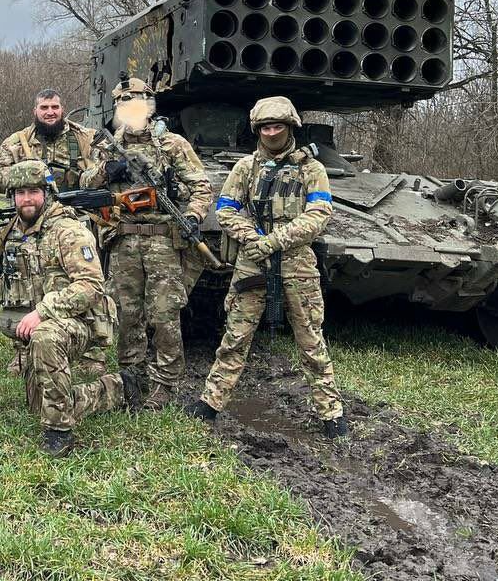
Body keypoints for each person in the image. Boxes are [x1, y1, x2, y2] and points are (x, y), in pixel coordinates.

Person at [187, 96, 348, 438]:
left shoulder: (311, 169)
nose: (271, 133)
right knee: (235, 337)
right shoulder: (245, 168)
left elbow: (319, 215)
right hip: (253, 263)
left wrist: (273, 241)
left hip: (296, 263)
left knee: (311, 341)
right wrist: (251, 238)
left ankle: (331, 413)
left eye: (277, 127)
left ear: (290, 127)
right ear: (257, 130)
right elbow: (226, 209)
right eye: (265, 128)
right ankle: (211, 402)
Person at [0, 160, 139, 456]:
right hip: (40, 327)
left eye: (33, 192)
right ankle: (117, 388)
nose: (27, 199)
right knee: (40, 405)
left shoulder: (67, 231)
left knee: (45, 338)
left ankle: (59, 433)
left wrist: (42, 311)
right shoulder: (9, 231)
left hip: (80, 321)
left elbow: (91, 286)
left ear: (47, 193)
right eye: (20, 193)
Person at [80, 77, 213, 410]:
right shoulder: (107, 146)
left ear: (150, 107)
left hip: (162, 241)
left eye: (138, 103)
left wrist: (193, 215)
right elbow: (85, 183)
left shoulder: (172, 145)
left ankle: (166, 383)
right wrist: (108, 170)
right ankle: (132, 378)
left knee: (164, 314)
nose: (132, 110)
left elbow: (201, 186)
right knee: (127, 313)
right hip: (123, 240)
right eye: (125, 104)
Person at [0, 88, 101, 375]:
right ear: (35, 111)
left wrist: (87, 178)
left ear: (62, 109)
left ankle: (90, 348)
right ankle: (24, 346)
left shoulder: (83, 138)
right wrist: (30, 175)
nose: (50, 112)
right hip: (31, 220)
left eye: (54, 107)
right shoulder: (18, 142)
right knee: (25, 273)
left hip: (76, 220)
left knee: (81, 279)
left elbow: (101, 171)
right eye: (44, 108)